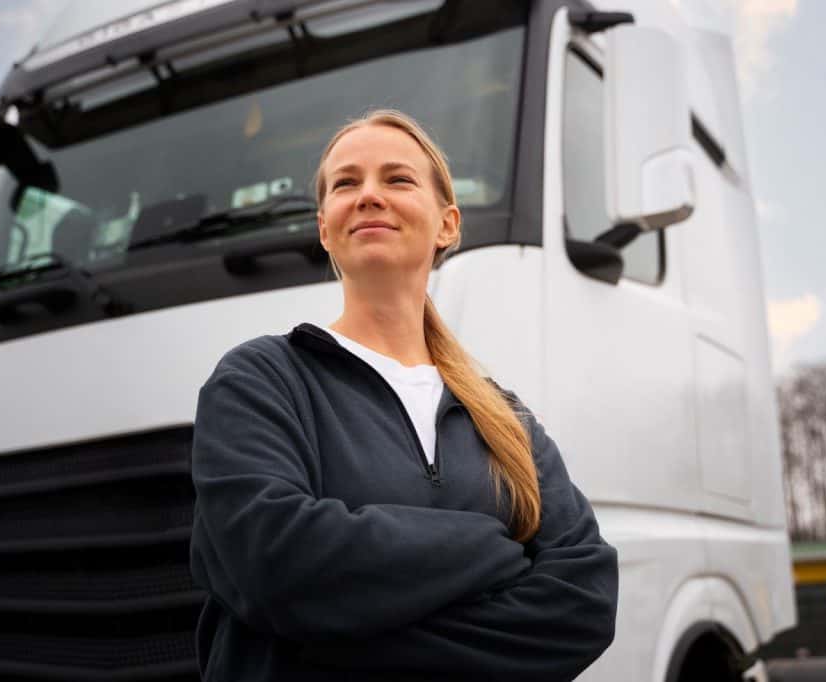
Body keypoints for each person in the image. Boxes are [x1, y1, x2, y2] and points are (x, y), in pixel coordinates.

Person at [189, 109, 619, 681]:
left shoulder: (507, 420)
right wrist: (493, 550)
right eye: (346, 183)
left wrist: (332, 638)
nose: (368, 195)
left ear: (447, 224)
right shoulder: (258, 380)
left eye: (396, 179)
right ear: (325, 229)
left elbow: (585, 600)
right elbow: (273, 564)